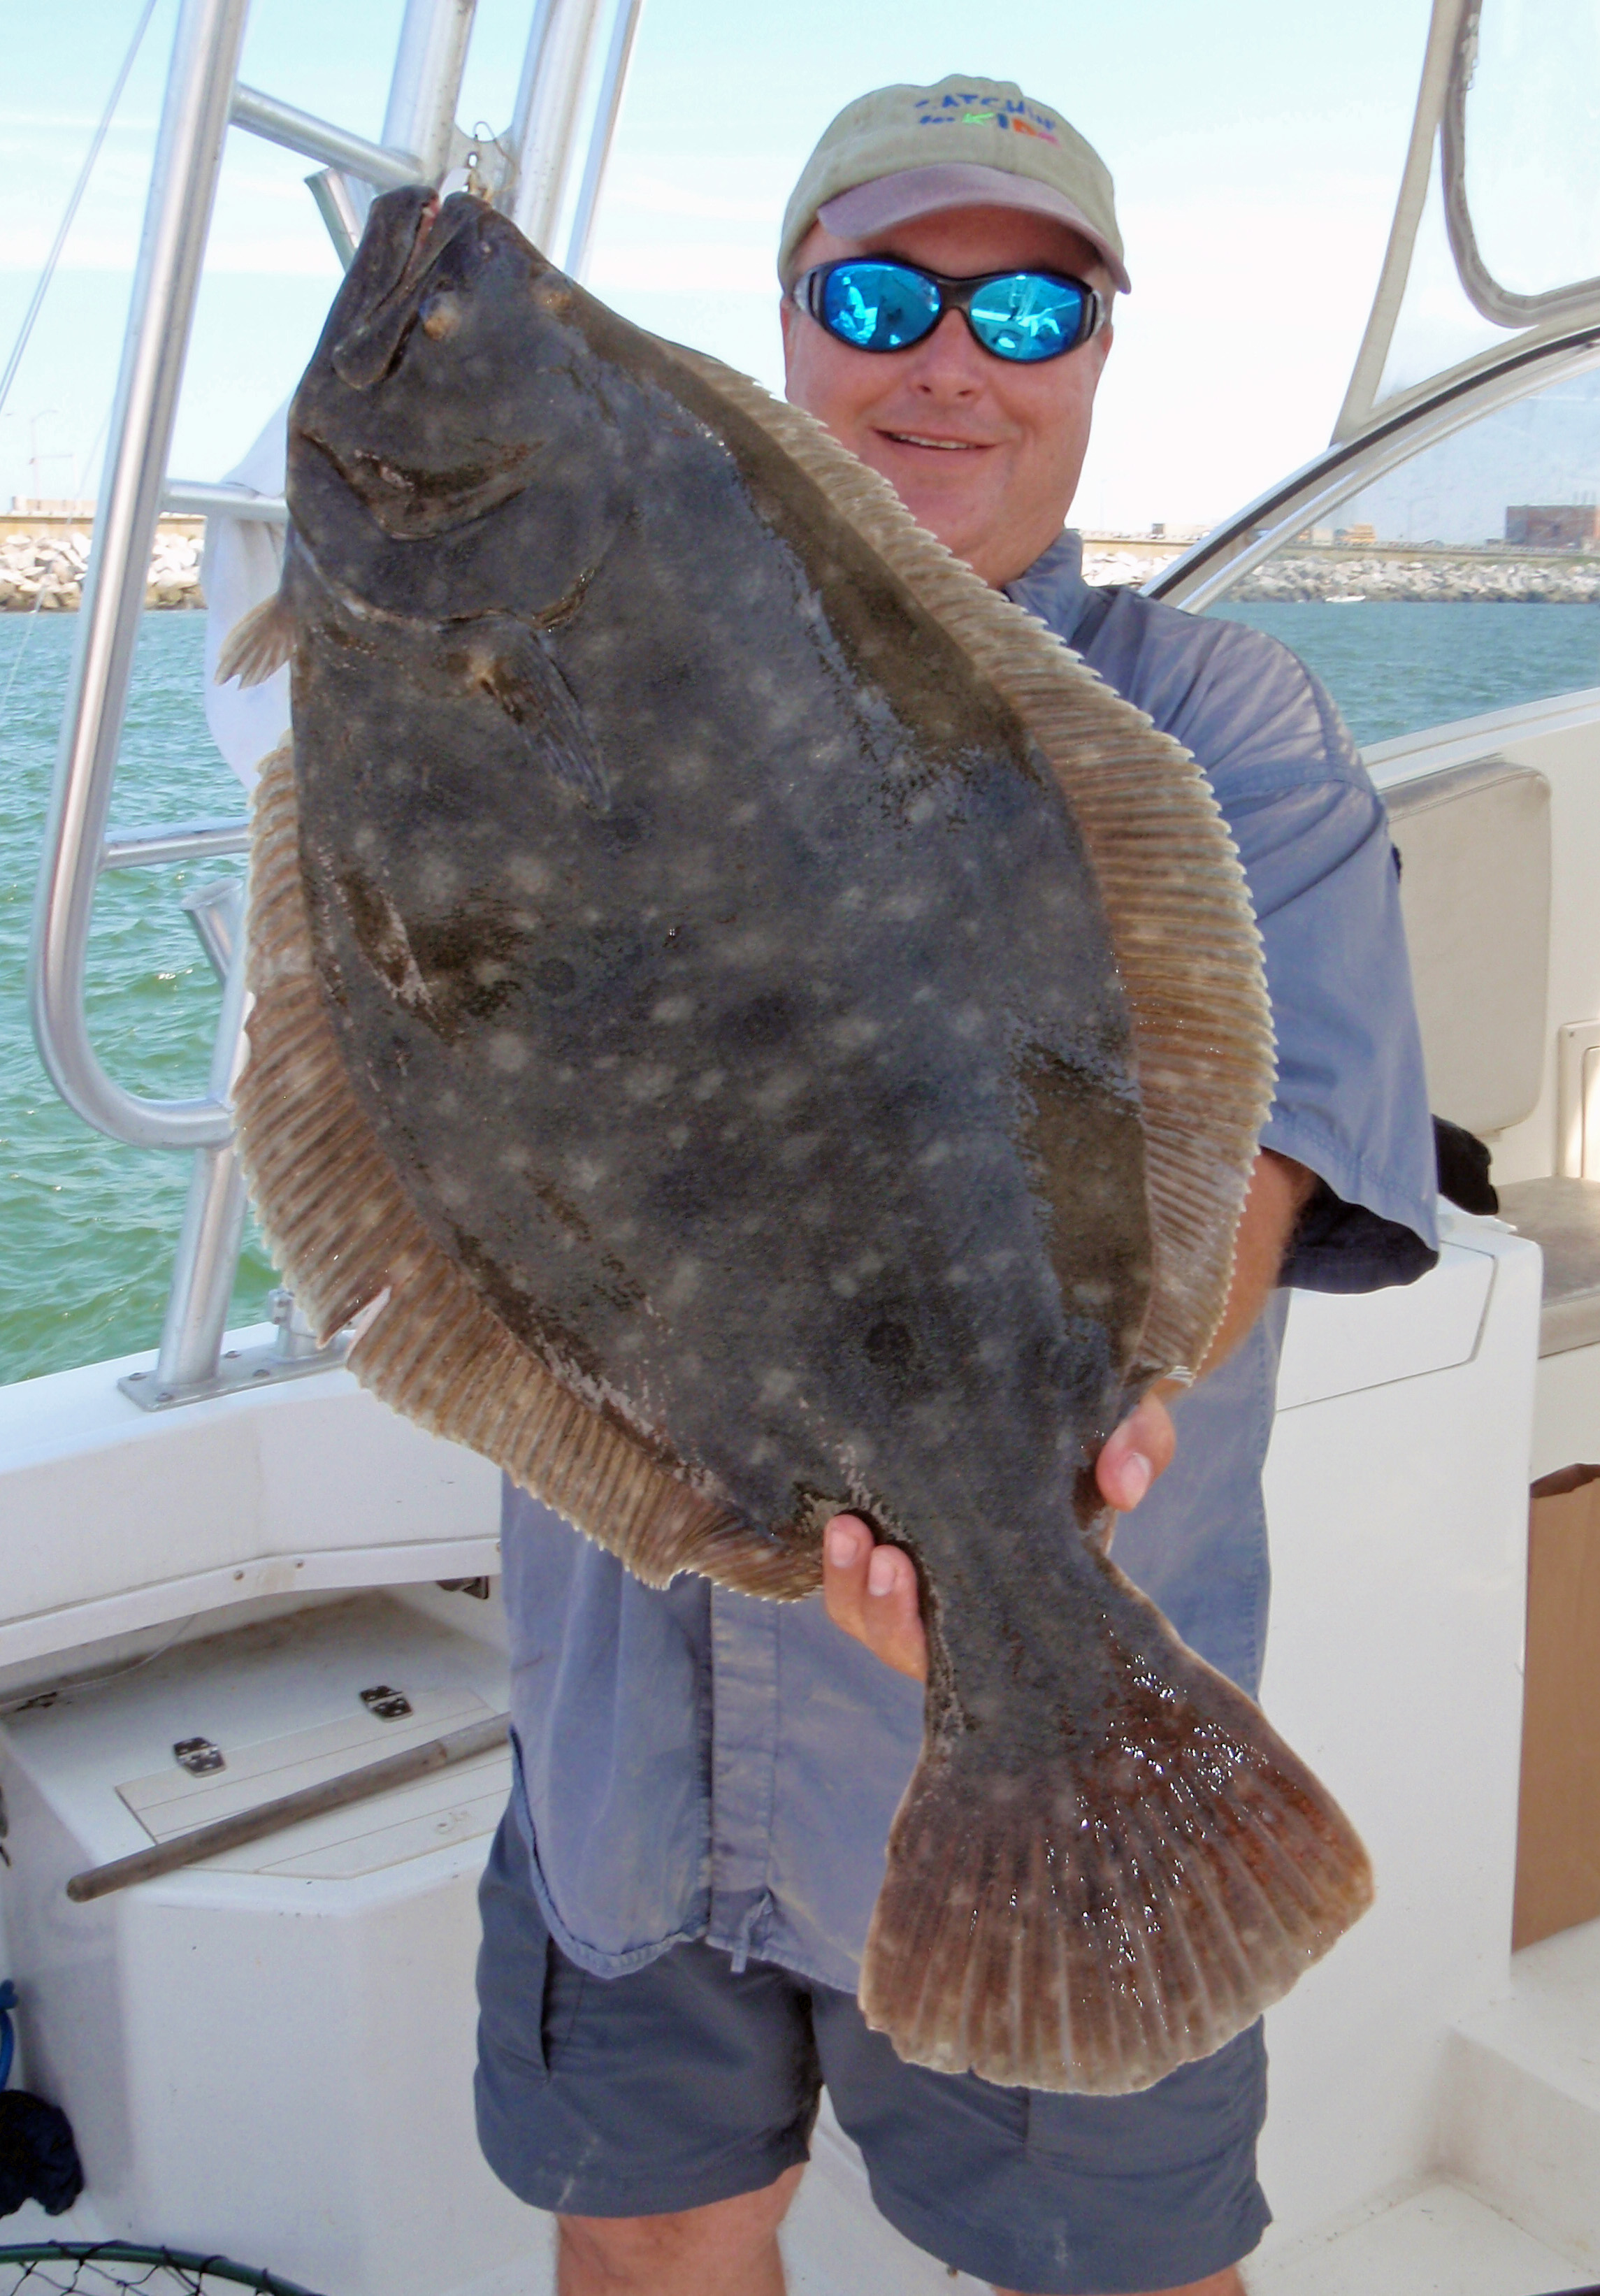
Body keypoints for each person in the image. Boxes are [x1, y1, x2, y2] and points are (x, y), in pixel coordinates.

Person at [473, 73, 1439, 2296]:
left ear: (1098, 359)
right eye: (885, 292)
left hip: (1051, 1715)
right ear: (788, 322)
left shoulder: (1227, 729)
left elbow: (1261, 1186)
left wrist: (996, 1483)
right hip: (629, 1733)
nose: (947, 360)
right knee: (648, 2251)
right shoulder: (574, 684)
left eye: (1026, 311)